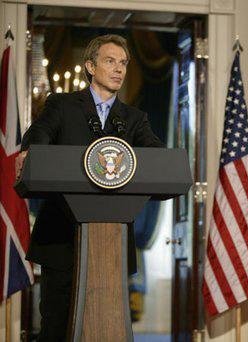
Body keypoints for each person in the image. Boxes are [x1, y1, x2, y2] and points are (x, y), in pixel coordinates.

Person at [15, 34, 164, 341]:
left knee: (107, 329)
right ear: (90, 66)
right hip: (61, 241)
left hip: (111, 246)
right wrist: (32, 152)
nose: (119, 69)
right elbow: (39, 136)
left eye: (123, 63)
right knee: (56, 327)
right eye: (110, 61)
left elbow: (156, 159)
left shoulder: (135, 119)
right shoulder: (62, 105)